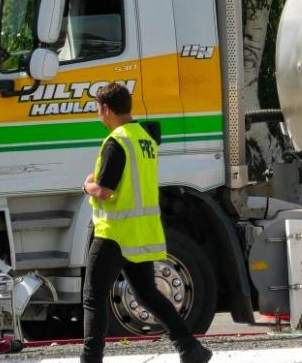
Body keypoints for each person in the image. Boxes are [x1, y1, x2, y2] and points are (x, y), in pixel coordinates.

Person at [81, 82, 212, 363]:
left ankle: (90, 359)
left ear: (106, 108)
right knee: (148, 295)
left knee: (93, 298)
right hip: (139, 232)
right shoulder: (144, 139)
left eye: (98, 110)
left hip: (113, 233)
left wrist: (87, 185)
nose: (99, 116)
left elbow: (105, 191)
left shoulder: (117, 141)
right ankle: (190, 348)